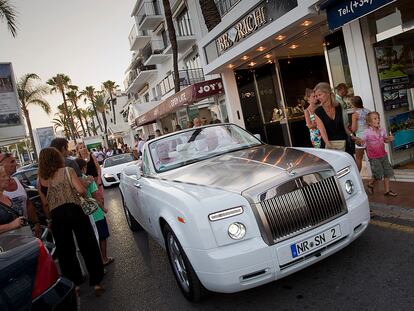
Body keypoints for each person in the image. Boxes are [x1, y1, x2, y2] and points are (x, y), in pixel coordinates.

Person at [37, 147, 105, 296]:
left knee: (65, 251)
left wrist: (50, 219)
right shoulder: (67, 171)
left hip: (57, 216)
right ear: (57, 158)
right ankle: (96, 282)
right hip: (75, 210)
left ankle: (75, 285)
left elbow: (45, 204)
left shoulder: (40, 181)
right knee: (88, 244)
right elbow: (80, 190)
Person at [75, 158, 114, 267]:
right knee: (102, 237)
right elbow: (97, 196)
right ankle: (104, 259)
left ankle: (95, 263)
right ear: (83, 168)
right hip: (96, 214)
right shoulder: (88, 179)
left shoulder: (74, 182)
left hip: (84, 215)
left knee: (91, 241)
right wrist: (103, 208)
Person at [0, 152, 41, 237]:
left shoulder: (17, 181)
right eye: (12, 162)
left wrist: (36, 223)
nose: (16, 164)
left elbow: (28, 204)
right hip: (8, 242)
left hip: (24, 232)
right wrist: (11, 225)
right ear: (1, 164)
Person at [314, 82, 358, 155]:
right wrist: (329, 145)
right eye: (316, 96)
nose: (318, 97)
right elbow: (322, 131)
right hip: (329, 146)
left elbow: (344, 126)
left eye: (320, 94)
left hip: (343, 144)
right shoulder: (318, 111)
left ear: (328, 93)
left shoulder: (338, 106)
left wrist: (352, 136)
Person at [363, 112, 396, 197]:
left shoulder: (382, 130)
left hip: (383, 155)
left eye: (378, 118)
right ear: (370, 122)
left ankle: (387, 191)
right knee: (378, 175)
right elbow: (363, 142)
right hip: (374, 157)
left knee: (387, 172)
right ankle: (371, 184)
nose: (378, 120)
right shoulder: (367, 132)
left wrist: (389, 139)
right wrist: (360, 142)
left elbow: (385, 140)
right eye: (375, 118)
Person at [0, 166, 27, 234]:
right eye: (3, 176)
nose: (7, 178)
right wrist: (10, 226)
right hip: (6, 243)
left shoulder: (6, 196)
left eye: (6, 176)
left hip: (21, 239)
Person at [350, 96, 370, 171]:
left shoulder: (355, 114)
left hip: (360, 138)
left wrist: (350, 127)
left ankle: (358, 178)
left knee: (358, 159)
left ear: (354, 105)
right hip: (369, 137)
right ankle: (375, 177)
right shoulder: (368, 111)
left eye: (351, 104)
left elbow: (354, 129)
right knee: (372, 159)